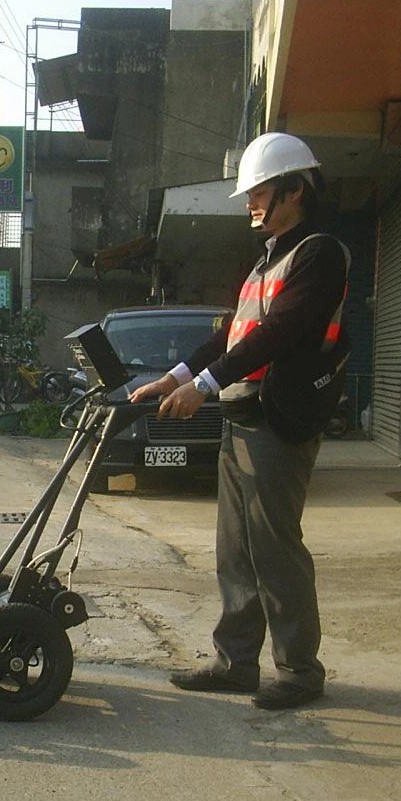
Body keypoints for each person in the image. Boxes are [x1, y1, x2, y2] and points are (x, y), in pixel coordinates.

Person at [129, 132, 348, 711]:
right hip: (242, 417)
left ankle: (300, 671)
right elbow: (231, 333)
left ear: (294, 190)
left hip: (278, 420)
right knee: (236, 549)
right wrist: (175, 377)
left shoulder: (319, 254)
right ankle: (235, 664)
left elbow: (278, 334)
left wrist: (203, 386)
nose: (251, 203)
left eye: (260, 192)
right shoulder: (267, 259)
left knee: (275, 549)